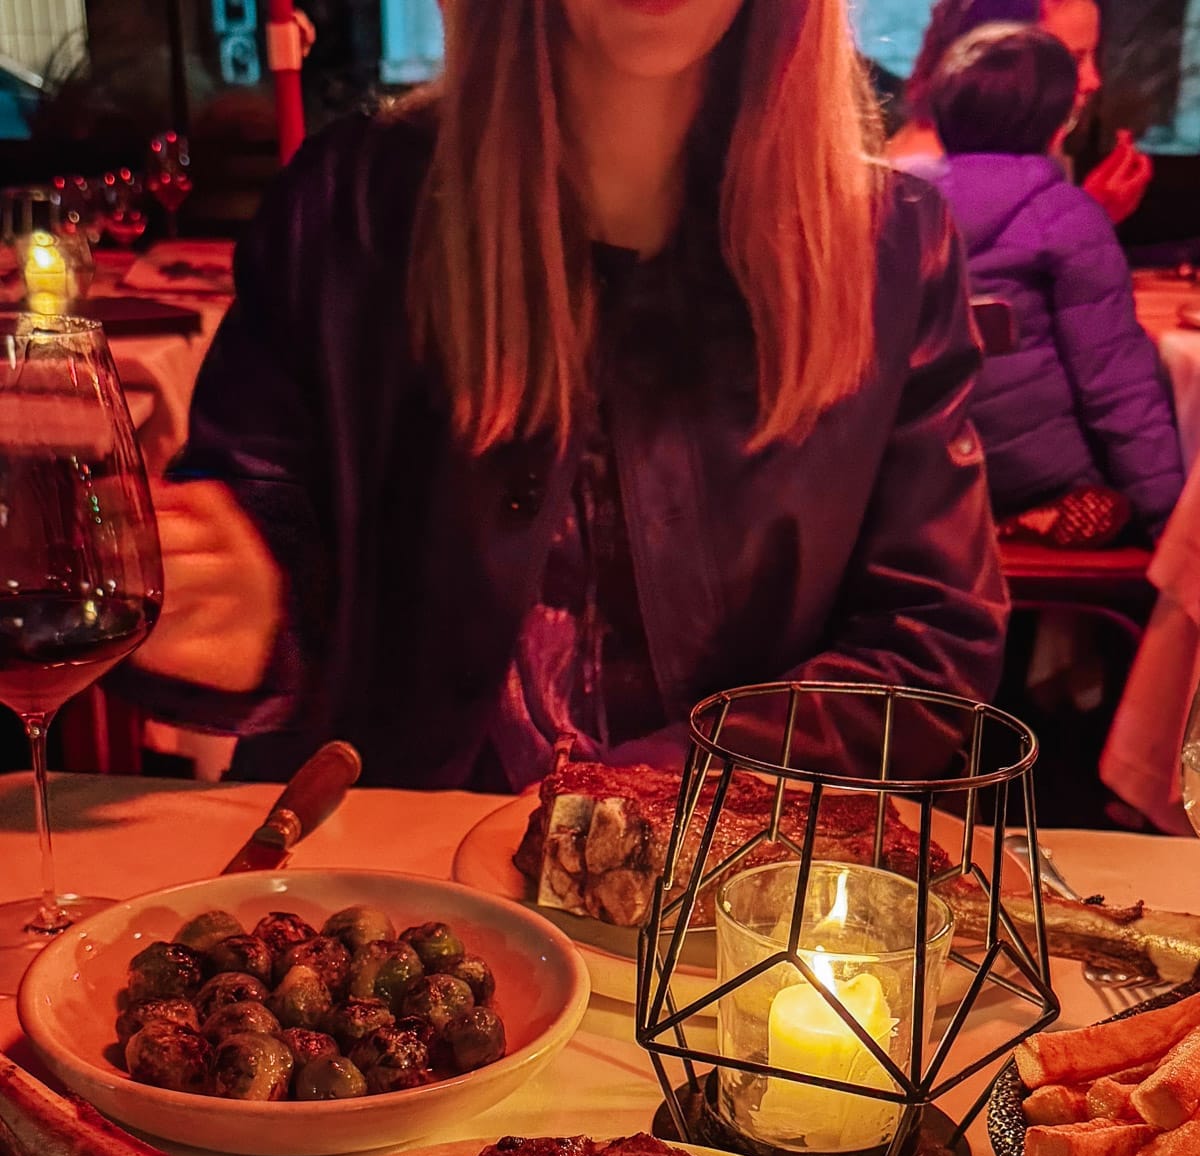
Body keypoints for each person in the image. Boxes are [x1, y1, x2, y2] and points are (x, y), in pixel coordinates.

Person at [123, 0, 1007, 789]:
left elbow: (930, 646)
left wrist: (636, 796)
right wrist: (249, 628)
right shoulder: (347, 209)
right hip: (389, 895)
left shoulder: (892, 248)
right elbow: (263, 553)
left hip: (719, 901)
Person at [925, 24, 1184, 539]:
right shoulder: (1063, 215)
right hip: (1037, 479)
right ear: (1055, 121)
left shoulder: (891, 209)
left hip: (918, 480)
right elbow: (1116, 386)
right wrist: (1168, 520)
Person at [889, 0, 1153, 228]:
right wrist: (1088, 214)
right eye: (1071, 60)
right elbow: (973, 278)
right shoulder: (918, 179)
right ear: (992, 62)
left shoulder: (1030, 152)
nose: (1093, 80)